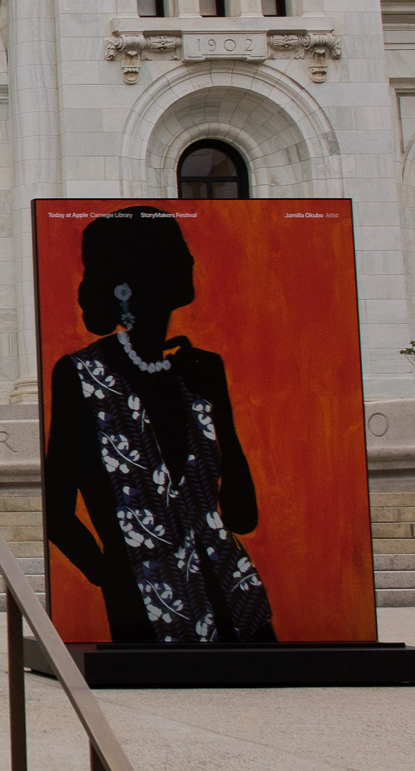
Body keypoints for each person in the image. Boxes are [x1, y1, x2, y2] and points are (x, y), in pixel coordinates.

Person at [41, 205, 276, 644]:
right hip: (145, 610)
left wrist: (219, 412)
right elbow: (56, 511)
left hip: (242, 607)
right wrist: (109, 575)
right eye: (172, 252)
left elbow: (242, 517)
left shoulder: (202, 370)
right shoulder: (82, 374)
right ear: (126, 283)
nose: (188, 260)